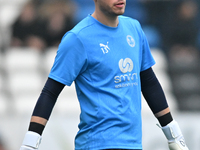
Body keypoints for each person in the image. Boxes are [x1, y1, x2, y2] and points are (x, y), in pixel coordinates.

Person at [20, 0, 189, 150]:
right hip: (97, 144)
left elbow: (149, 81)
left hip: (133, 144)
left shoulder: (134, 29)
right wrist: (30, 142)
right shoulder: (77, 38)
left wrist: (173, 133)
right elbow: (50, 92)